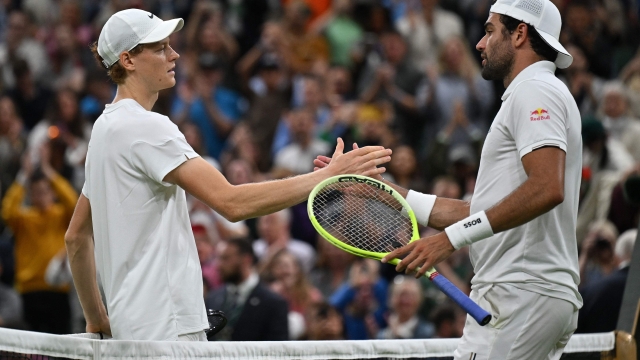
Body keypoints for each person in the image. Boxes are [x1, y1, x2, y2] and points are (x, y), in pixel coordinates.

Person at [64, 9, 391, 342]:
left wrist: (97, 319)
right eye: (160, 47)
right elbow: (231, 202)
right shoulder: (147, 128)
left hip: (128, 332)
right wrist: (328, 176)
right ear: (127, 60)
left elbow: (75, 238)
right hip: (167, 330)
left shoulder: (103, 131)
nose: (174, 54)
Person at [316, 0, 583, 357]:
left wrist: (448, 242)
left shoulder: (536, 90)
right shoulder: (534, 92)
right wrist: (378, 192)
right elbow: (479, 211)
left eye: (490, 31)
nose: (480, 43)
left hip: (519, 293)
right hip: (526, 294)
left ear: (520, 34)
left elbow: (547, 187)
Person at [2, 145, 77, 334]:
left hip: (58, 290)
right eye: (36, 192)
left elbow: (72, 201)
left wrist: (47, 170)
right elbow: (7, 210)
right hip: (30, 290)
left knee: (63, 346)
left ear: (52, 193)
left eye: (45, 191)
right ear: (31, 195)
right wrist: (24, 176)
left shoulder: (61, 215)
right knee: (33, 350)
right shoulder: (24, 219)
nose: (41, 196)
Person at [205, 238, 289, 341]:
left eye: (225, 258)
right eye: (218, 258)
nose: (218, 265)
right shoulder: (212, 298)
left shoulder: (273, 303)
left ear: (246, 259)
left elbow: (277, 349)